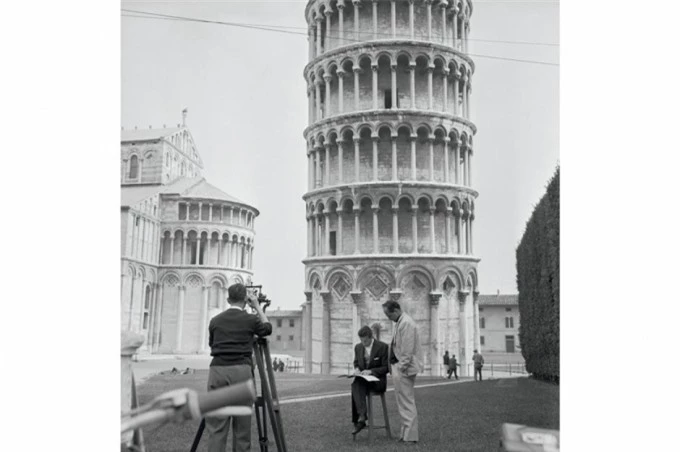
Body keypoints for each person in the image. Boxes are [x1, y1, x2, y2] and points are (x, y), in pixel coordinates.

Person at [206, 283, 272, 452]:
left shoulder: (215, 321)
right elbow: (267, 328)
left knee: (216, 429)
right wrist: (256, 305)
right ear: (245, 299)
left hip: (218, 371)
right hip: (241, 372)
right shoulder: (250, 320)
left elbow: (212, 344)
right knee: (242, 429)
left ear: (228, 299)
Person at [383, 300, 422, 443]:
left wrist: (401, 368)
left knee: (406, 401)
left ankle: (410, 437)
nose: (388, 318)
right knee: (403, 402)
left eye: (388, 314)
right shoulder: (400, 322)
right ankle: (405, 434)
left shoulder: (406, 323)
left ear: (396, 310)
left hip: (404, 368)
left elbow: (407, 350)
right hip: (400, 367)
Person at [351, 326, 389, 435]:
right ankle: (362, 417)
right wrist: (357, 369)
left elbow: (386, 368)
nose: (363, 342)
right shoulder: (358, 347)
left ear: (371, 337)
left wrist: (371, 371)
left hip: (377, 381)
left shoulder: (382, 347)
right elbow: (356, 363)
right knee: (356, 383)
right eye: (361, 340)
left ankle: (360, 419)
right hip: (363, 381)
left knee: (356, 386)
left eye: (365, 340)